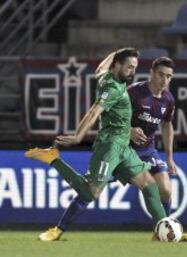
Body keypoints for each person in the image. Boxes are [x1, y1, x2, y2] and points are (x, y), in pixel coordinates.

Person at [25, 47, 167, 241]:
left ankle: (161, 233)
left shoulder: (106, 77)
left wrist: (121, 52)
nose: (132, 71)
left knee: (150, 186)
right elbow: (93, 112)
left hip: (123, 147)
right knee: (89, 193)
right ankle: (54, 160)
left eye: (134, 67)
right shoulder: (112, 89)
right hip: (109, 147)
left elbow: (101, 67)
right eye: (129, 66)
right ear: (117, 65)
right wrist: (77, 136)